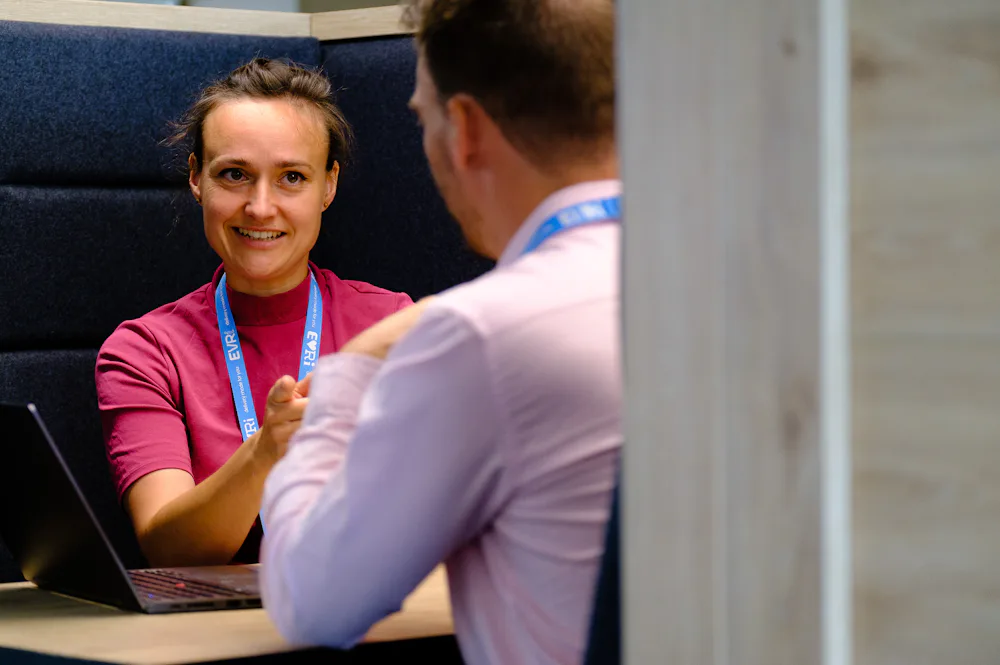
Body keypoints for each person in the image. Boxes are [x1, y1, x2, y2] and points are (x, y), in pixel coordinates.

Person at [260, 1, 620, 663]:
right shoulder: (738, 290)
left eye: (422, 117)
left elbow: (312, 600)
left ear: (465, 130)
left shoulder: (483, 335)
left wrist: (354, 364)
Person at [95, 59, 412, 568]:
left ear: (328, 185)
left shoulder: (393, 326)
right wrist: (267, 449)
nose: (261, 208)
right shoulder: (144, 352)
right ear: (197, 177)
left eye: (291, 177)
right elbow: (166, 546)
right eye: (235, 175)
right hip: (217, 633)